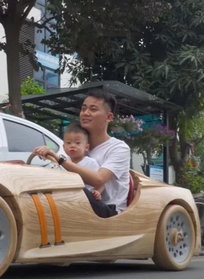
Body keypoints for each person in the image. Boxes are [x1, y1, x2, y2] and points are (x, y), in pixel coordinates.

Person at [33, 90, 131, 218]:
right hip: (78, 208)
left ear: (108, 117)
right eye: (83, 109)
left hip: (107, 212)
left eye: (93, 109)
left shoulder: (119, 148)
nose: (85, 113)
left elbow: (98, 179)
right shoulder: (74, 146)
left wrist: (59, 159)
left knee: (77, 191)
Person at [61, 123, 104, 200]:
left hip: (86, 199)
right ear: (64, 147)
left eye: (77, 143)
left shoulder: (91, 163)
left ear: (86, 147)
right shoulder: (62, 162)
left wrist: (97, 192)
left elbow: (101, 184)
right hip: (66, 198)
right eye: (69, 143)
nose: (73, 146)